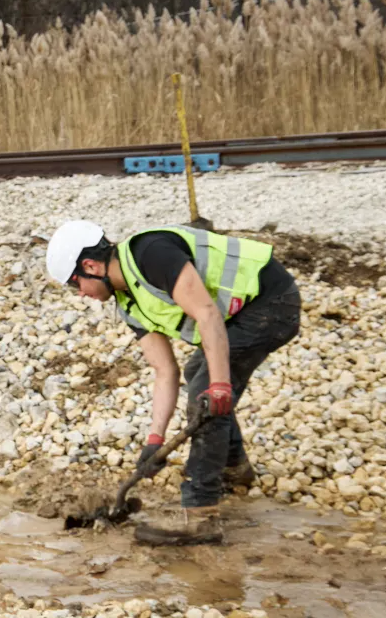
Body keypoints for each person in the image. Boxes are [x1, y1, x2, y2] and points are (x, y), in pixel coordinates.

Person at [44, 219, 302, 544]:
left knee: (205, 391)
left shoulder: (151, 254)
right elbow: (165, 371)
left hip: (271, 303)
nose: (81, 294)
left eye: (75, 284)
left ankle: (201, 517)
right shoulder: (129, 306)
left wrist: (221, 384)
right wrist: (154, 440)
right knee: (198, 376)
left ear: (90, 265)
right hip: (239, 317)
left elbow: (207, 314)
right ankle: (235, 469)